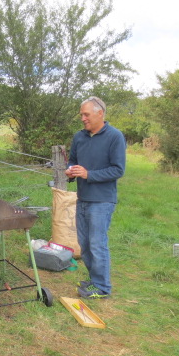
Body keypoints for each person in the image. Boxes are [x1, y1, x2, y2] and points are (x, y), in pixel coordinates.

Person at [64, 96, 126, 299]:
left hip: (102, 200)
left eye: (86, 114)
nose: (82, 118)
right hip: (83, 197)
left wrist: (89, 174)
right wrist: (70, 170)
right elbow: (72, 160)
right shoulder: (79, 137)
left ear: (100, 113)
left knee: (97, 244)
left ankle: (103, 287)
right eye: (81, 114)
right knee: (85, 243)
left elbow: (118, 170)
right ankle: (94, 279)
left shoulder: (115, 137)